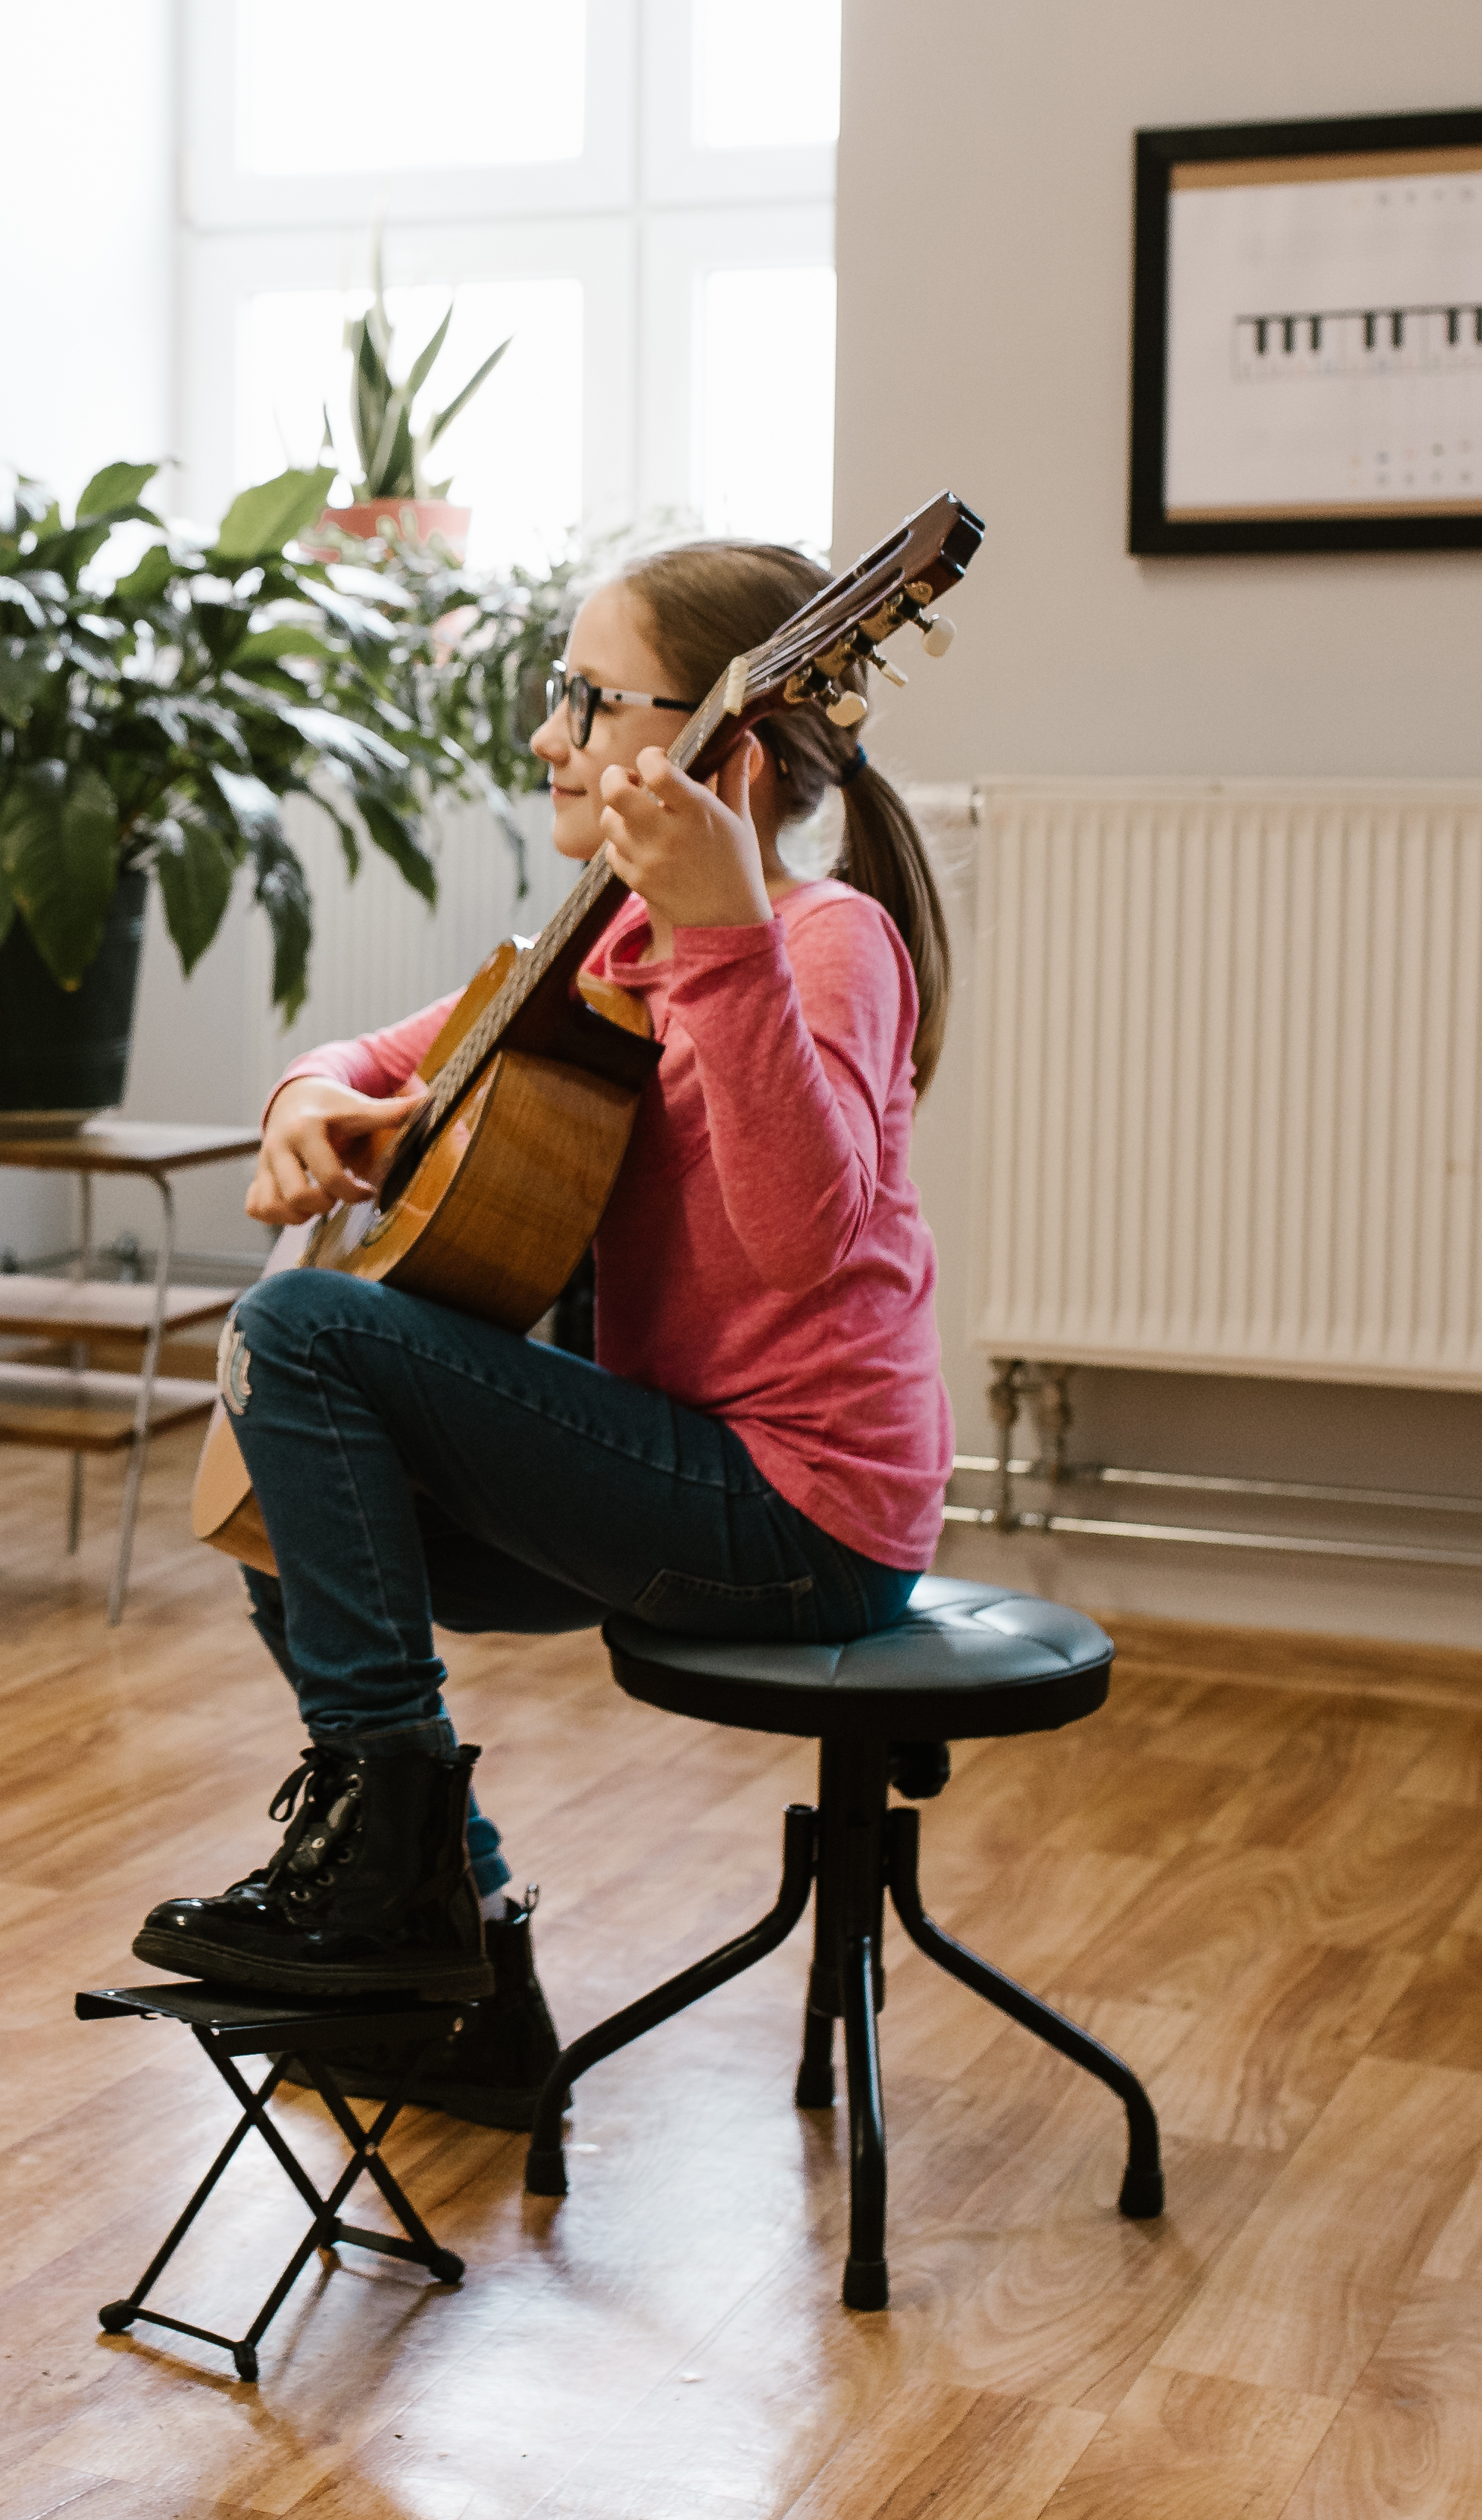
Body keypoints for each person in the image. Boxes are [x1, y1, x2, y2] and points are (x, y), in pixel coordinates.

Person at [134, 539, 954, 2126]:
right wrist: (304, 1099)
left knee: (300, 1331)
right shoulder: (609, 942)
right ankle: (470, 1977)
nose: (548, 733)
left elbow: (803, 1240)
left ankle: (385, 1887)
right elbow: (358, 1048)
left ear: (714, 742)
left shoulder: (825, 938)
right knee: (274, 1518)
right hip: (690, 1474)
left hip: (802, 1514)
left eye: (585, 696)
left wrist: (722, 929)